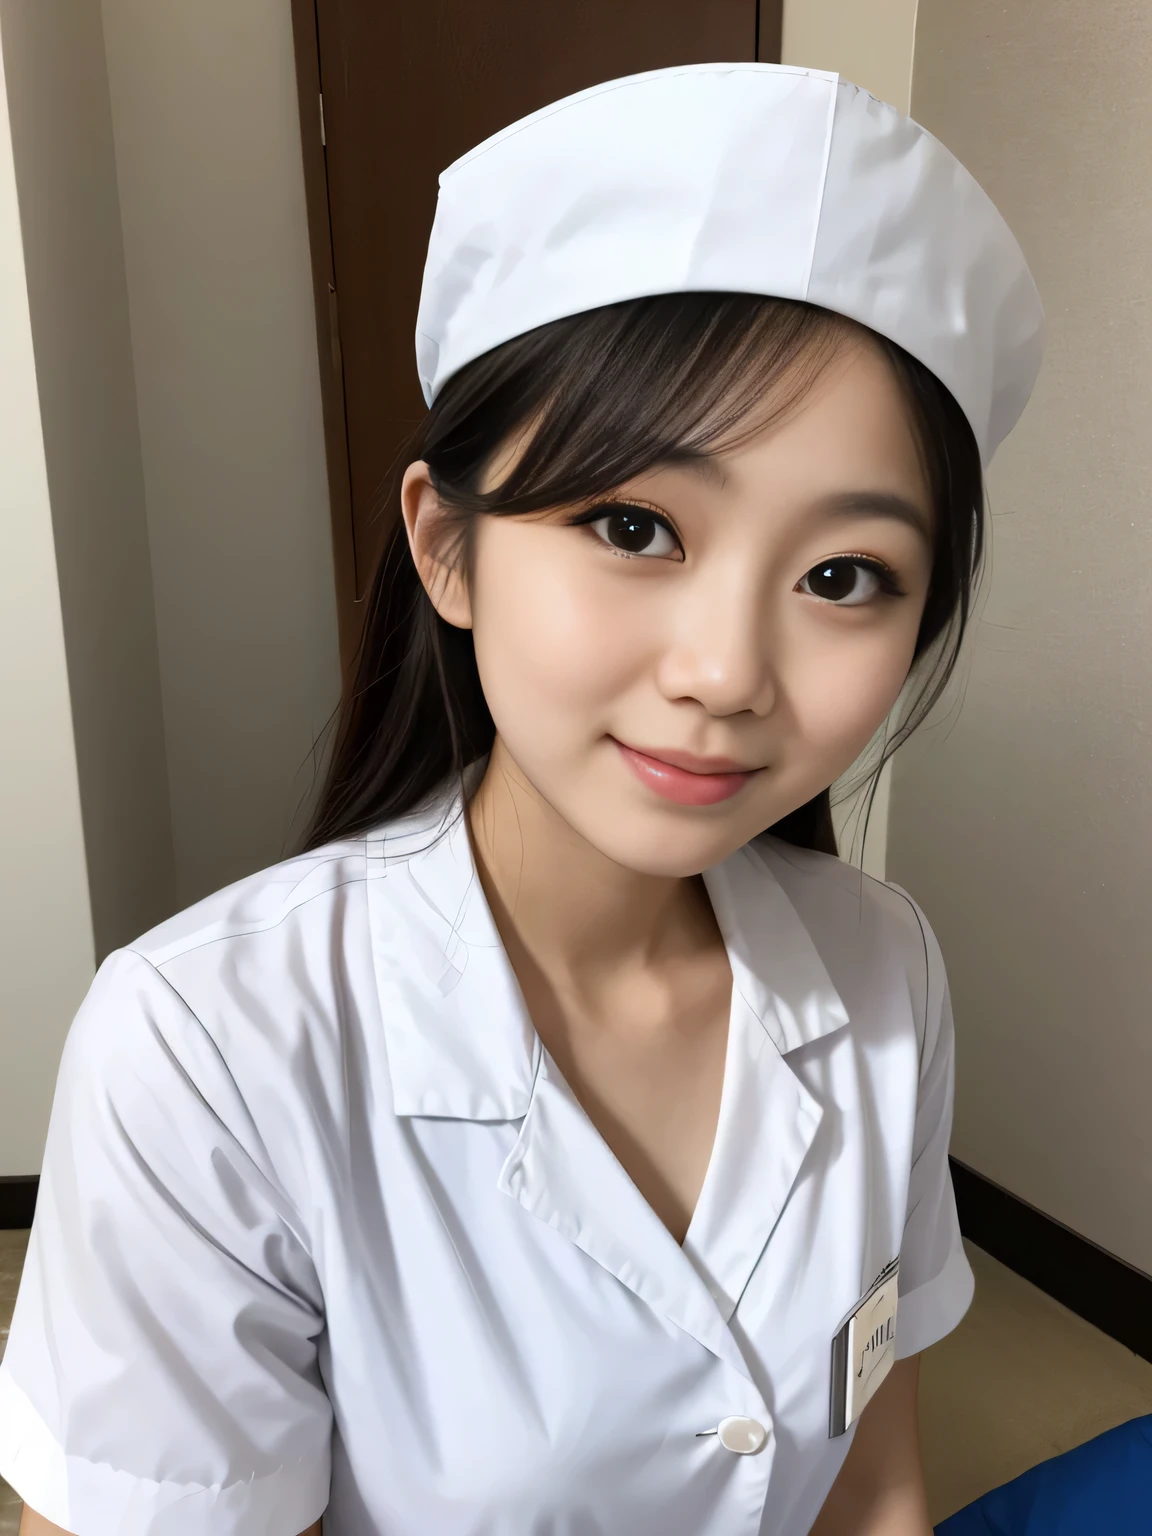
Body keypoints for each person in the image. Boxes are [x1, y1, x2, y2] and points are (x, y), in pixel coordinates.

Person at [0, 63, 1043, 1536]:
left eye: (842, 576)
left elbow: (874, 1485)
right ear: (448, 547)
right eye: (634, 525)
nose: (726, 671)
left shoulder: (886, 968)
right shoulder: (200, 1051)